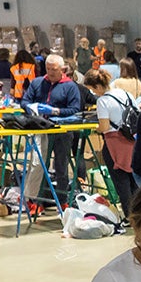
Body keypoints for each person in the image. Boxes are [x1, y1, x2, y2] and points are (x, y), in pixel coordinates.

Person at [22, 54, 84, 202]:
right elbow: (24, 101)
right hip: (40, 129)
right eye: (48, 69)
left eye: (54, 69)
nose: (50, 72)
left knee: (61, 166)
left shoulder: (70, 86)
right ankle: (35, 200)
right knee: (37, 165)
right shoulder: (37, 83)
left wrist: (56, 111)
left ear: (62, 69)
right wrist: (30, 106)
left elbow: (75, 109)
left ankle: (62, 201)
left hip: (62, 131)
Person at [84, 69, 139, 211]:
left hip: (115, 144)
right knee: (134, 179)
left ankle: (129, 214)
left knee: (121, 181)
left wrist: (95, 129)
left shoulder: (103, 101)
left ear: (97, 86)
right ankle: (140, 212)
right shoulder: (126, 94)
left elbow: (104, 126)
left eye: (92, 90)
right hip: (132, 140)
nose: (93, 93)